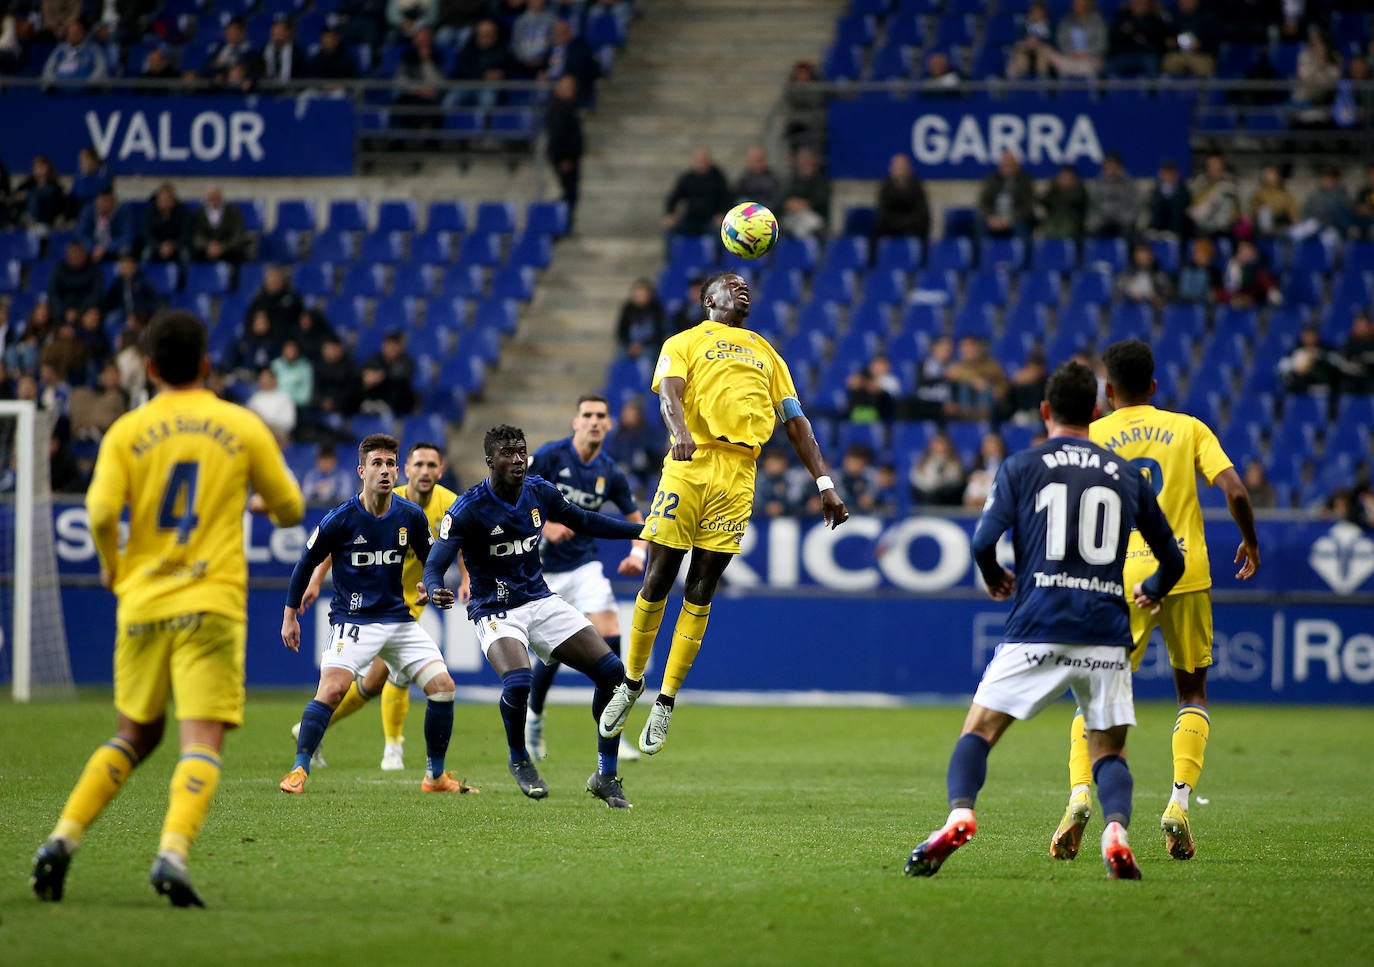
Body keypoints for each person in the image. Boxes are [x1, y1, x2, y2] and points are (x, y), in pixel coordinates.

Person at [30, 310, 306, 907]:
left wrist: (111, 564)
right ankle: (172, 854)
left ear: (148, 368)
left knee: (133, 733)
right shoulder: (241, 424)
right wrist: (256, 500)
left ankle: (62, 839)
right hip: (211, 604)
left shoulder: (127, 431)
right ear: (207, 366)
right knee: (200, 738)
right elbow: (290, 509)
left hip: (143, 600)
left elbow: (102, 514)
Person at [904, 360, 1185, 880]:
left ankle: (961, 814)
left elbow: (983, 541)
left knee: (979, 731)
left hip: (1038, 622)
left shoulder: (1022, 465)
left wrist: (994, 574)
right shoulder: (1127, 474)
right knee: (1109, 750)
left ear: (1045, 411)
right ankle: (1116, 831)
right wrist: (1153, 589)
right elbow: (1174, 559)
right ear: (1096, 411)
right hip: (1104, 630)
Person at [597, 273, 849, 755]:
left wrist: (825, 482)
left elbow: (795, 419)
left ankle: (666, 699)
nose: (744, 288)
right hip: (689, 466)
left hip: (739, 472)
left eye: (747, 284)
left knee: (702, 585)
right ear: (708, 298)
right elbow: (669, 394)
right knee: (658, 576)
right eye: (733, 284)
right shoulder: (683, 341)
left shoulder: (765, 350)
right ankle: (630, 682)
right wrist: (679, 431)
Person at [1049, 339, 1259, 866]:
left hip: (1116, 579)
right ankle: (1179, 802)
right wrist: (1250, 540)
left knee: (1095, 695)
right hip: (1182, 573)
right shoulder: (1188, 427)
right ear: (1155, 385)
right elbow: (1234, 489)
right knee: (1192, 689)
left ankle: (1079, 795)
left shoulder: (1093, 434)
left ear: (1109, 390)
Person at [422, 425, 644, 806]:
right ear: (490, 461)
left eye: (521, 451)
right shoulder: (468, 508)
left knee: (612, 674)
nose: (518, 459)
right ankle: (519, 757)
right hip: (494, 609)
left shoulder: (539, 491)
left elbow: (586, 521)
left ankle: (605, 775)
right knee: (519, 680)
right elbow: (435, 562)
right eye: (508, 453)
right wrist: (434, 584)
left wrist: (644, 531)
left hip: (540, 601)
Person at [277, 433, 476, 797]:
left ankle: (434, 777)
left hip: (399, 620)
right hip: (354, 621)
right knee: (334, 689)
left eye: (389, 464)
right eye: (377, 464)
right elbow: (306, 562)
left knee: (444, 688)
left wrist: (430, 587)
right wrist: (290, 614)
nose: (385, 471)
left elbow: (432, 560)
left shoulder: (411, 516)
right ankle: (299, 768)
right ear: (362, 471)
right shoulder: (340, 519)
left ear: (396, 470)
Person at [524, 395, 648, 762]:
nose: (594, 421)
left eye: (601, 416)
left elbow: (634, 514)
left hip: (584, 566)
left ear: (609, 425)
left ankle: (611, 727)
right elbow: (515, 497)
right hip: (542, 572)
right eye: (587, 415)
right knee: (551, 655)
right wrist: (544, 525)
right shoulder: (550, 456)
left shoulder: (611, 471)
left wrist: (637, 553)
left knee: (610, 636)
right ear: (575, 422)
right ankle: (534, 718)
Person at [545, 75, 584, 232]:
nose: (570, 90)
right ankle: (559, 224)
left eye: (571, 87)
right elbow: (558, 135)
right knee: (568, 193)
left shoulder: (568, 106)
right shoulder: (558, 108)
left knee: (570, 193)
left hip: (571, 159)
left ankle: (563, 223)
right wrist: (563, 158)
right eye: (566, 86)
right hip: (564, 159)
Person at [872, 153, 930, 244]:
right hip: (890, 227)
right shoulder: (886, 187)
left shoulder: (917, 187)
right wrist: (895, 223)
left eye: (902, 168)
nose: (900, 171)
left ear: (909, 169)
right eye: (897, 168)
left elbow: (922, 213)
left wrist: (907, 223)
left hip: (912, 228)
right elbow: (883, 212)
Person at [189, 186, 248, 264]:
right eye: (210, 198)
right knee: (191, 254)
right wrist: (208, 245)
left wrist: (223, 247)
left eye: (215, 198)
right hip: (206, 249)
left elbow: (238, 234)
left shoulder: (232, 212)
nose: (213, 201)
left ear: (221, 197)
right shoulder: (199, 213)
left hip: (228, 249)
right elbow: (196, 235)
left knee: (239, 254)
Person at [616, 278, 666, 360]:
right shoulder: (628, 308)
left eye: (643, 294)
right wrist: (630, 345)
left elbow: (659, 333)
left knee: (649, 356)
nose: (640, 297)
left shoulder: (657, 309)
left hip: (649, 346)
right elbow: (621, 331)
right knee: (620, 356)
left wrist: (641, 345)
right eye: (638, 295)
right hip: (630, 345)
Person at [735, 145, 783, 214]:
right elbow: (738, 198)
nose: (755, 163)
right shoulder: (744, 179)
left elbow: (777, 199)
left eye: (758, 160)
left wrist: (761, 209)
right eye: (752, 160)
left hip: (768, 212)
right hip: (749, 214)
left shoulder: (774, 178)